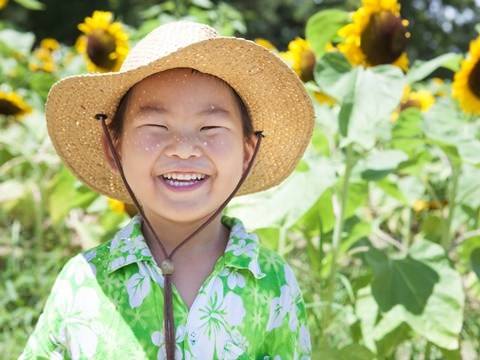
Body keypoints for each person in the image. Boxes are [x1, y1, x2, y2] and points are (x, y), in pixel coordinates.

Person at [19, 20, 314, 359]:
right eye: (156, 126)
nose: (185, 148)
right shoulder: (83, 282)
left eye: (211, 127)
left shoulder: (273, 283)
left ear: (247, 153)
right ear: (113, 148)